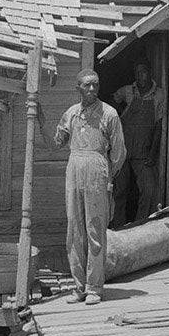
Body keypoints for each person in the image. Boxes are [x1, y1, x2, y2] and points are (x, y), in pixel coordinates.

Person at [54, 70, 126, 305]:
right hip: (74, 168)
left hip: (97, 169)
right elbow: (57, 142)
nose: (92, 90)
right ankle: (79, 287)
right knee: (75, 229)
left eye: (96, 85)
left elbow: (118, 152)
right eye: (87, 86)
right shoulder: (72, 114)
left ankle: (95, 287)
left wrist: (107, 176)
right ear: (78, 88)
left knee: (95, 230)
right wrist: (43, 121)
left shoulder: (110, 114)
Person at [111, 61, 166, 225]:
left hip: (143, 152)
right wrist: (118, 115)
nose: (139, 76)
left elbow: (158, 126)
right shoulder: (128, 91)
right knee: (119, 190)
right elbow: (113, 101)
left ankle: (140, 226)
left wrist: (153, 153)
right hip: (123, 149)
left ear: (150, 73)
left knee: (148, 189)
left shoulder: (159, 95)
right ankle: (117, 226)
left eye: (143, 72)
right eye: (137, 72)